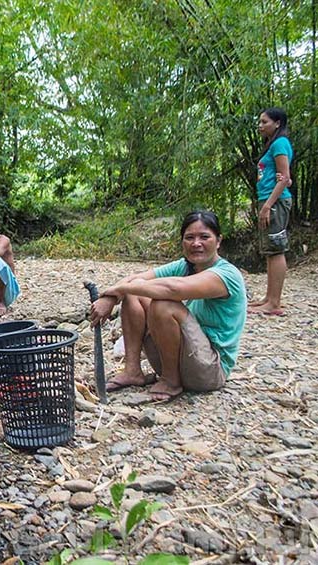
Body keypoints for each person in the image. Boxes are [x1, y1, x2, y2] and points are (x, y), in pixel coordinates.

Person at [89, 211, 246, 402]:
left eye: (204, 237)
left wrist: (117, 290)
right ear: (182, 242)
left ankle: (171, 381)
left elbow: (174, 289)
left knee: (162, 303)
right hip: (180, 360)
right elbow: (137, 280)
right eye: (189, 238)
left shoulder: (227, 274)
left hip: (209, 370)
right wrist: (111, 298)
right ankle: (132, 371)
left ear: (218, 241)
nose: (196, 243)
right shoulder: (184, 266)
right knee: (134, 294)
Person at [249, 107, 293, 316]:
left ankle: (274, 302)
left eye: (264, 122)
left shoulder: (280, 143)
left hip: (274, 202)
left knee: (275, 249)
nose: (260, 126)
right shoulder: (273, 144)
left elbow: (284, 177)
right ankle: (269, 297)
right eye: (259, 122)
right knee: (269, 249)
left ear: (277, 123)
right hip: (268, 198)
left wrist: (268, 206)